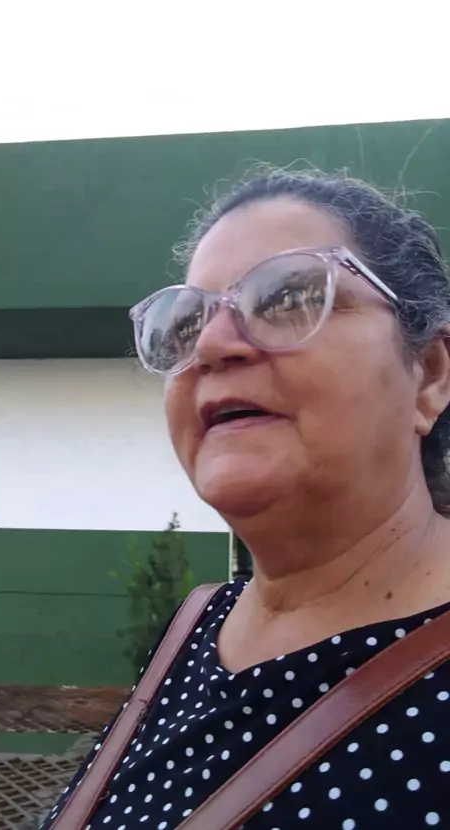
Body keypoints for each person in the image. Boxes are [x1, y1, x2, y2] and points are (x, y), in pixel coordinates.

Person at [42, 168, 450, 829]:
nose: (209, 345)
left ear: (428, 374)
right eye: (187, 322)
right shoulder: (194, 628)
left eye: (290, 297)